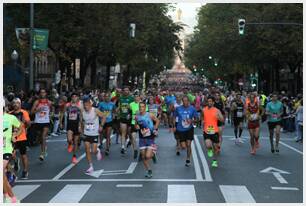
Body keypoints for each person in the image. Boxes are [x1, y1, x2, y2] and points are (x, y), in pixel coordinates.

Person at [3, 100, 23, 203]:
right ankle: (9, 197)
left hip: (6, 148)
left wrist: (15, 135)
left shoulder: (10, 117)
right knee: (3, 174)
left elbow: (21, 127)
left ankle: (9, 198)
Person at [81, 98, 106, 173]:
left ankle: (97, 151)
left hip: (94, 133)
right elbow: (81, 121)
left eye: (87, 105)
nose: (86, 107)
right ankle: (90, 166)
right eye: (84, 105)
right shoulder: (82, 112)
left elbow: (104, 117)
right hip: (86, 133)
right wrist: (81, 129)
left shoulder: (95, 110)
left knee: (93, 151)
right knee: (87, 149)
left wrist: (101, 125)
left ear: (90, 104)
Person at [135, 102, 160, 178]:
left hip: (150, 138)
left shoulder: (150, 115)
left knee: (147, 156)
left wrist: (155, 128)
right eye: (140, 107)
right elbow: (136, 124)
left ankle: (153, 154)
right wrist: (136, 126)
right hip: (142, 138)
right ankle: (149, 170)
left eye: (142, 107)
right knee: (143, 156)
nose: (141, 108)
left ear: (145, 107)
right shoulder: (137, 116)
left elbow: (157, 121)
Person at [172, 96, 197, 167]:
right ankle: (185, 148)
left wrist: (192, 120)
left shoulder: (192, 109)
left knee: (188, 144)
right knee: (183, 146)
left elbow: (197, 119)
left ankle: (188, 159)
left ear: (188, 101)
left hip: (189, 129)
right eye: (184, 101)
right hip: (180, 129)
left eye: (186, 101)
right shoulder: (178, 109)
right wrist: (174, 126)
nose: (185, 102)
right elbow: (174, 117)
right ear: (182, 101)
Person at [10, 98, 31, 179]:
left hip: (22, 137)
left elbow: (28, 123)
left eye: (17, 103)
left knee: (23, 155)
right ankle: (16, 160)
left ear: (20, 104)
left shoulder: (24, 112)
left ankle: (25, 171)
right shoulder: (10, 114)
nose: (15, 104)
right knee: (11, 154)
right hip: (12, 137)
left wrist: (25, 128)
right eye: (14, 103)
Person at [31, 89, 53, 161]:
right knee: (40, 138)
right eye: (41, 92)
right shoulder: (37, 102)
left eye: (44, 92)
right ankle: (44, 147)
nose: (42, 93)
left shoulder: (49, 102)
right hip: (38, 122)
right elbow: (31, 112)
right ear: (39, 94)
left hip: (46, 122)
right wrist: (38, 110)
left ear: (46, 93)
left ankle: (42, 153)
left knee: (43, 136)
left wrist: (51, 114)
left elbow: (52, 109)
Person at [202, 96, 224, 168]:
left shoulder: (217, 110)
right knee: (208, 145)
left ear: (213, 102)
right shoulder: (204, 110)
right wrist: (202, 123)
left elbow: (222, 120)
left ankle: (215, 161)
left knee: (216, 148)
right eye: (208, 101)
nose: (209, 102)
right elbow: (202, 118)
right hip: (206, 131)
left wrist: (219, 118)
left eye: (211, 101)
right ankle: (209, 150)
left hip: (214, 131)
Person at [66, 93, 82, 164]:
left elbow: (81, 116)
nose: (74, 98)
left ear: (77, 98)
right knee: (69, 139)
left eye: (76, 96)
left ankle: (74, 157)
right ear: (71, 98)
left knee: (75, 142)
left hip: (77, 125)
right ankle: (70, 144)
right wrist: (60, 122)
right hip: (70, 124)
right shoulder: (68, 105)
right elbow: (63, 113)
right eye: (73, 97)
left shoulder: (79, 105)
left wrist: (80, 126)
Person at [118, 87, 134, 155]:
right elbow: (119, 106)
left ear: (129, 91)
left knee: (130, 133)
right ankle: (123, 147)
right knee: (123, 133)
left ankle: (134, 147)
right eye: (124, 90)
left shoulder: (131, 98)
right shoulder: (120, 98)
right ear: (123, 91)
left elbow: (134, 107)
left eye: (127, 90)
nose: (125, 91)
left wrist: (130, 112)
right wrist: (117, 111)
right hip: (123, 117)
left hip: (130, 118)